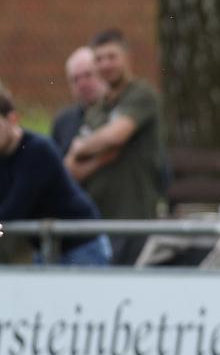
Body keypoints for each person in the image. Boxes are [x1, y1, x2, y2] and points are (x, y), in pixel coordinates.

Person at [64, 28, 164, 265]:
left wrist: (83, 147)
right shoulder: (96, 110)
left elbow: (116, 136)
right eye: (99, 59)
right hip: (98, 224)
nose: (105, 64)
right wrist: (99, 157)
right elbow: (70, 169)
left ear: (126, 57)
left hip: (134, 223)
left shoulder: (142, 95)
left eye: (112, 57)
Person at [0, 83, 110, 265]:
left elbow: (13, 209)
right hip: (47, 247)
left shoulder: (38, 150)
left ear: (12, 119)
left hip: (82, 246)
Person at [51, 47, 107, 156]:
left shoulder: (119, 113)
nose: (82, 84)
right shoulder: (63, 121)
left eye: (88, 75)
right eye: (75, 79)